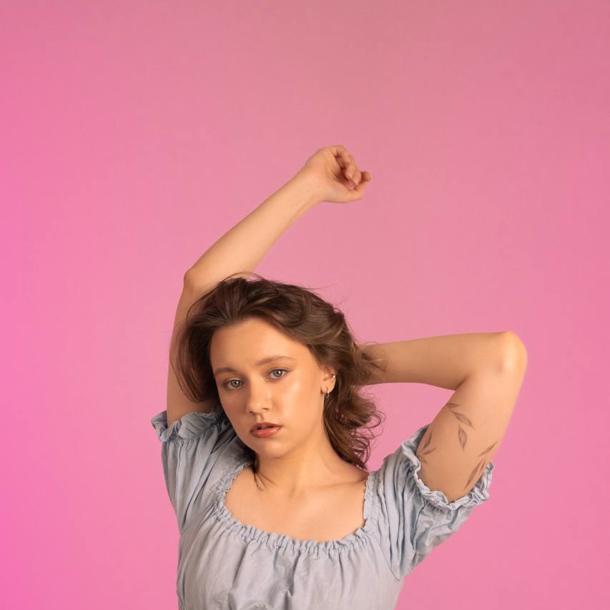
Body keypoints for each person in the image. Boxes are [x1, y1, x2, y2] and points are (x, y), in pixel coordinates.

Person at [150, 145, 528, 609]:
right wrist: (309, 186)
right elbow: (201, 286)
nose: (255, 401)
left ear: (325, 373)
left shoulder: (395, 511)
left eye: (277, 372)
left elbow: (497, 359)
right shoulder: (203, 470)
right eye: (233, 382)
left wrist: (343, 361)